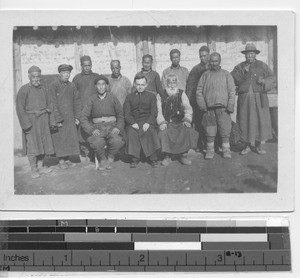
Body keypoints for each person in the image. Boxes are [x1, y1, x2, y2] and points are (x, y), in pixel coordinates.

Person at [231, 43, 276, 155]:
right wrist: (244, 72)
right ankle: (246, 146)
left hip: (259, 98)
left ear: (255, 54)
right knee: (244, 121)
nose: (249, 56)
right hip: (245, 99)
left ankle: (257, 146)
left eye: (252, 54)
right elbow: (233, 78)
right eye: (247, 54)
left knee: (259, 121)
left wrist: (264, 81)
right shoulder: (239, 67)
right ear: (245, 55)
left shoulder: (262, 65)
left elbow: (272, 78)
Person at [16, 66, 55, 179]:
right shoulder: (23, 90)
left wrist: (51, 120)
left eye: (38, 76)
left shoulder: (44, 89)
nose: (36, 79)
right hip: (31, 121)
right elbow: (19, 108)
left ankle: (42, 166)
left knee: (43, 144)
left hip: (43, 120)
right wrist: (26, 124)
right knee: (33, 145)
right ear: (29, 76)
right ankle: (34, 168)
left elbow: (50, 104)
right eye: (34, 77)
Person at [196, 52, 236, 160]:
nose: (214, 63)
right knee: (210, 130)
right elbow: (199, 91)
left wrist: (230, 106)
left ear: (220, 61)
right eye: (212, 61)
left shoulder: (226, 74)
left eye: (216, 61)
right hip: (209, 109)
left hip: (223, 109)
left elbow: (232, 91)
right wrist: (202, 106)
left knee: (225, 129)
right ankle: (210, 151)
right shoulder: (205, 75)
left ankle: (226, 150)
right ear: (209, 62)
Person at [80, 75, 125, 170]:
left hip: (112, 126)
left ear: (107, 86)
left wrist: (118, 127)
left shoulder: (112, 97)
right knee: (97, 142)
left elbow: (120, 114)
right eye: (98, 84)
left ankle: (111, 157)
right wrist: (91, 129)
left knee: (117, 141)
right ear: (95, 86)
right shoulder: (91, 99)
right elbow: (83, 117)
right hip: (97, 127)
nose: (101, 87)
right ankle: (103, 159)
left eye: (103, 84)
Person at [157, 74, 198, 166]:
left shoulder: (182, 93)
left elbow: (188, 109)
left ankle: (183, 155)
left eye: (174, 82)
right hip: (167, 122)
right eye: (169, 83)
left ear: (177, 83)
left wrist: (187, 120)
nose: (172, 85)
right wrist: (162, 122)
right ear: (166, 83)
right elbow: (158, 111)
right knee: (163, 133)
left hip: (180, 122)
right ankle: (167, 156)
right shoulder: (160, 94)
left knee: (188, 131)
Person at [124, 74, 160, 168]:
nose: (140, 87)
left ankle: (153, 159)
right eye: (138, 84)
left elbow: (154, 112)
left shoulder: (151, 96)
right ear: (135, 85)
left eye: (142, 84)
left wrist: (148, 123)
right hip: (134, 121)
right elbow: (127, 114)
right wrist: (132, 123)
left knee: (150, 131)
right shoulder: (129, 97)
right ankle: (135, 159)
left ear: (146, 85)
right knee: (131, 133)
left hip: (147, 121)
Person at [50, 64, 81, 169]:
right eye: (64, 73)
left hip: (70, 117)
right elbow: (52, 103)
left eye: (68, 73)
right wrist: (57, 118)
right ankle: (61, 161)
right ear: (60, 74)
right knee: (60, 139)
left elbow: (77, 101)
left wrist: (77, 116)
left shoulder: (72, 85)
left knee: (69, 138)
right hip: (59, 118)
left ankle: (67, 159)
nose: (66, 75)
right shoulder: (54, 85)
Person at [72, 55, 101, 160]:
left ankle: (95, 151)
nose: (87, 68)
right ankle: (85, 151)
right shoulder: (77, 78)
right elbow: (74, 96)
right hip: (82, 110)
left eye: (89, 65)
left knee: (95, 130)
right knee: (82, 131)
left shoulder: (96, 77)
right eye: (85, 66)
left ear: (91, 65)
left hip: (94, 110)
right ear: (81, 66)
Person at [185, 45, 210, 152]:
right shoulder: (196, 69)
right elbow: (190, 86)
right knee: (199, 124)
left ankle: (214, 144)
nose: (202, 58)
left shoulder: (213, 66)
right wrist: (190, 102)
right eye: (201, 56)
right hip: (198, 101)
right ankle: (200, 145)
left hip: (211, 101)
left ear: (208, 55)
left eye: (204, 56)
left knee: (211, 124)